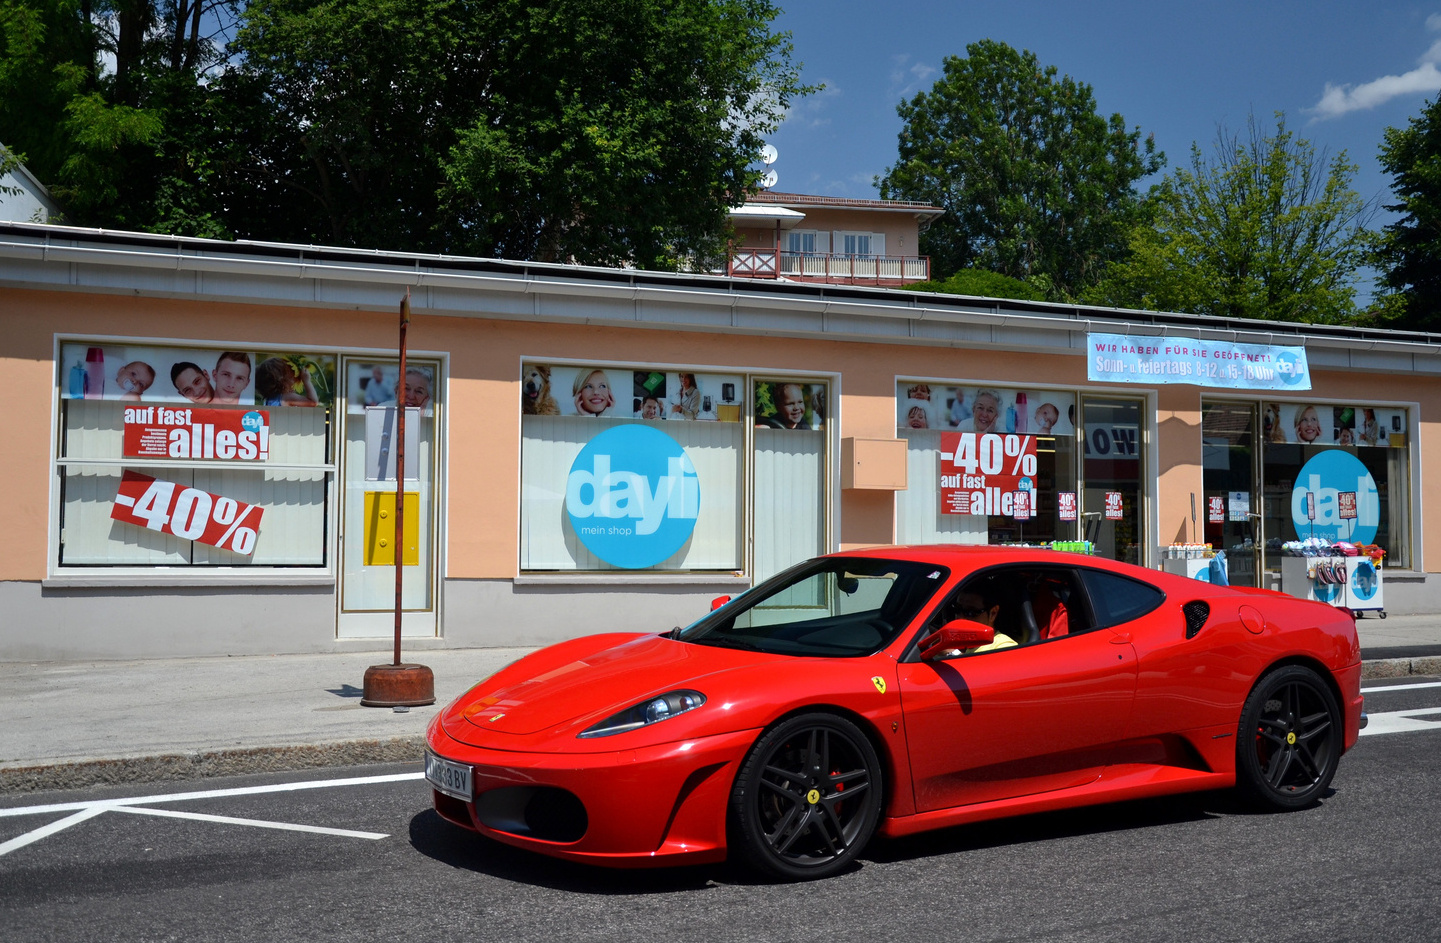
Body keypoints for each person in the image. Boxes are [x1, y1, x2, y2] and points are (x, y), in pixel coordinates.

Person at [930, 586, 1016, 657]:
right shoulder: (957, 641)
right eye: (957, 609)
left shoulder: (1004, 647)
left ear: (993, 613)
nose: (961, 618)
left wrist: (950, 653)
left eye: (971, 612)